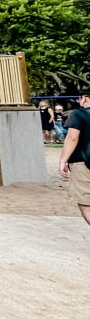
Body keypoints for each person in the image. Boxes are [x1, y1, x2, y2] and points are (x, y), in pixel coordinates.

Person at [60, 90, 90, 225]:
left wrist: (63, 160)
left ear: (84, 98)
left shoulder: (79, 114)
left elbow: (72, 137)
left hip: (83, 162)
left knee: (86, 204)